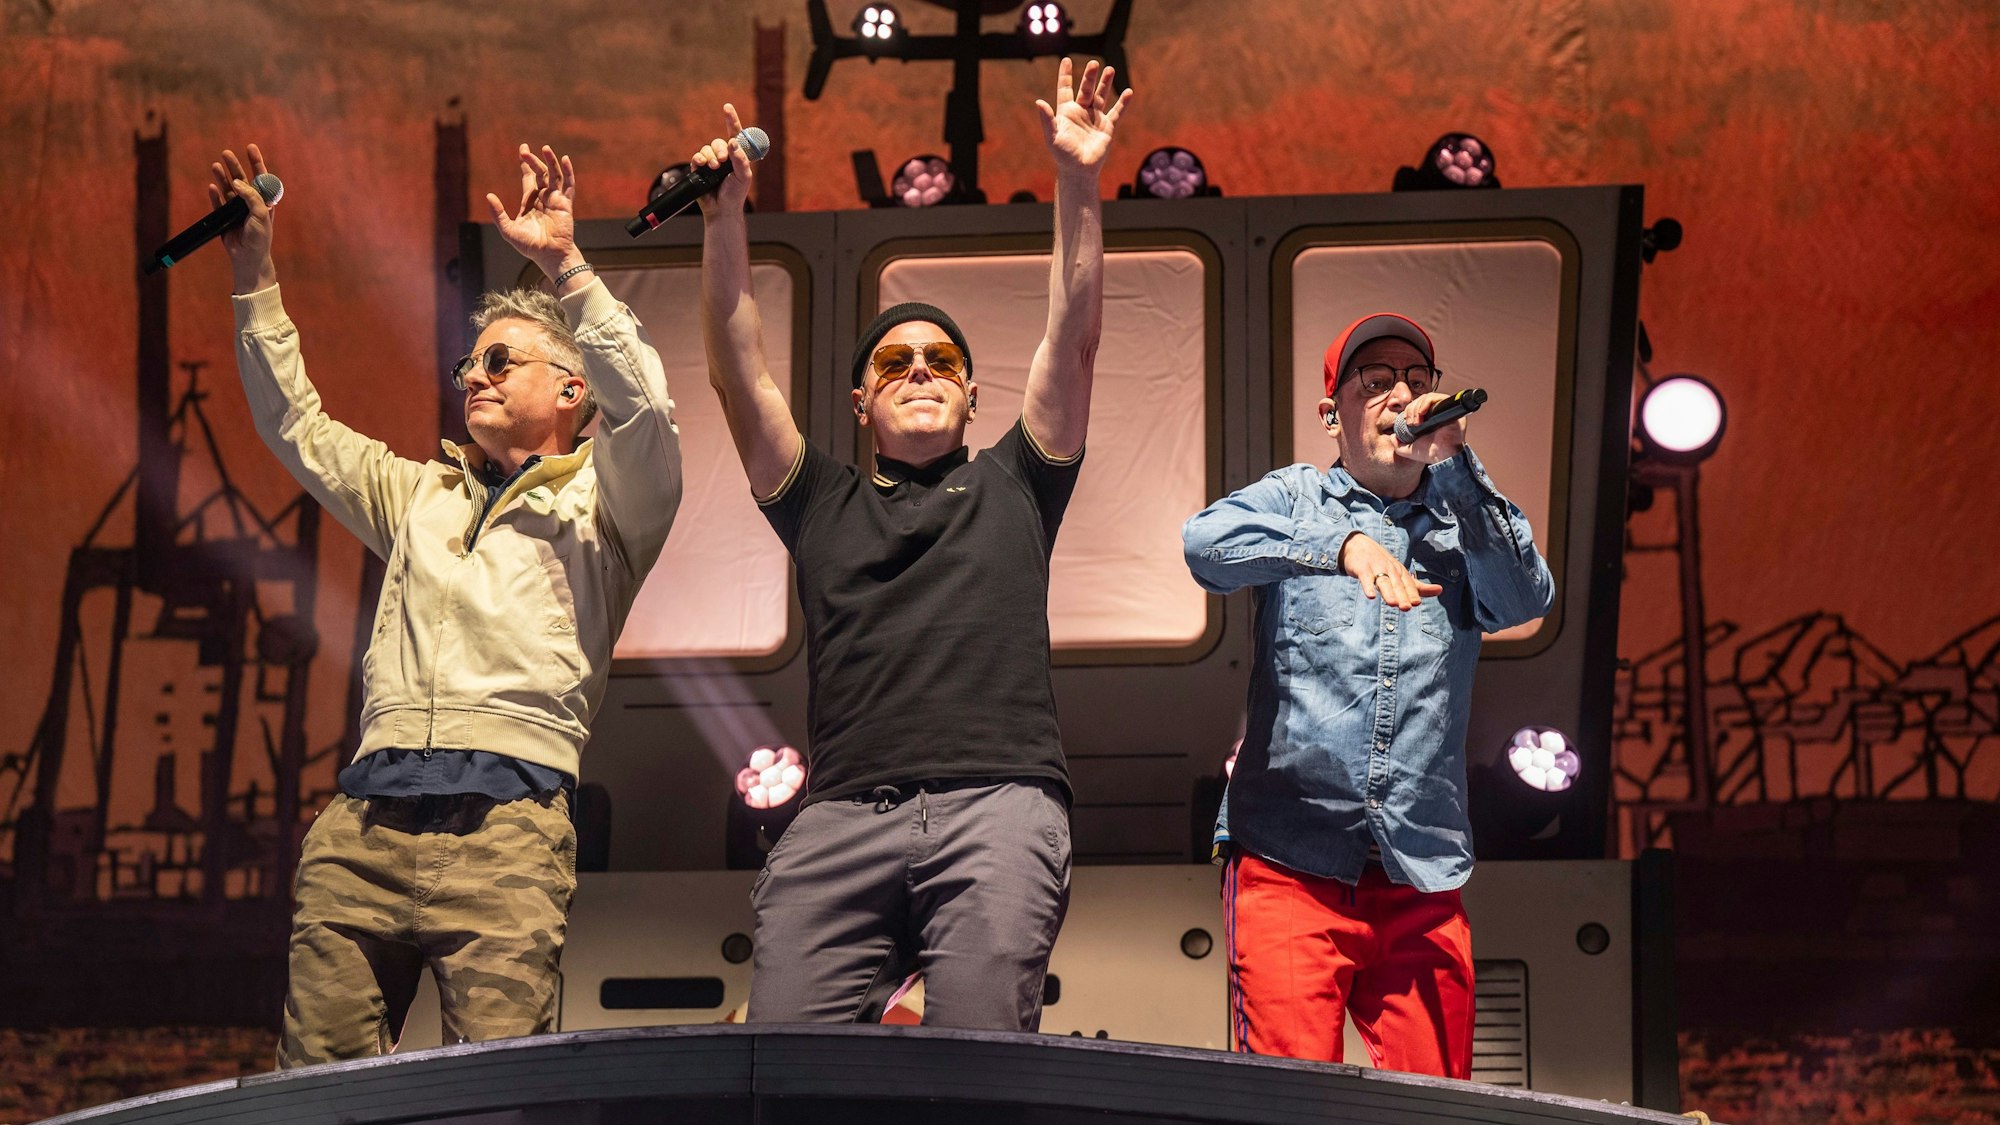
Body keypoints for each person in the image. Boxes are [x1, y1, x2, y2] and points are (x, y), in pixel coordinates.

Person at [209, 141, 683, 1065]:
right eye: (469, 363)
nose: (474, 375)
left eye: (500, 360)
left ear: (571, 389)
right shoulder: (417, 494)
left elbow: (647, 410)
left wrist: (565, 264)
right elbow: (296, 424)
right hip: (365, 825)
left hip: (507, 832)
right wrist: (254, 275)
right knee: (317, 1094)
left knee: (493, 1096)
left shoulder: (611, 506)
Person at [694, 58, 1132, 1030]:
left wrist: (1077, 178)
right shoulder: (820, 500)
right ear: (861, 402)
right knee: (784, 1064)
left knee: (975, 1067)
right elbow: (737, 370)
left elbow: (1074, 333)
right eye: (895, 361)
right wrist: (723, 219)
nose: (921, 370)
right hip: (840, 817)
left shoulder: (1018, 480)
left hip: (997, 806)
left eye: (942, 360)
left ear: (974, 393)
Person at [1181, 313, 1554, 1076]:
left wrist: (1455, 462)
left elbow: (1525, 598)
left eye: (1416, 380)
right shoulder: (1298, 495)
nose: (1401, 395)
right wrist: (1340, 545)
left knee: (1436, 1105)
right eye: (1376, 382)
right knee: (1293, 1100)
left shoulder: (1461, 519)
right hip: (1291, 857)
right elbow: (1203, 546)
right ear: (1333, 415)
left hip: (1420, 867)